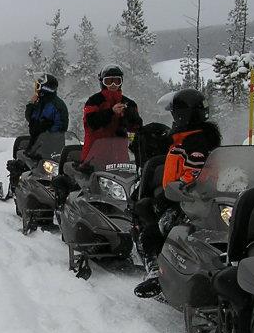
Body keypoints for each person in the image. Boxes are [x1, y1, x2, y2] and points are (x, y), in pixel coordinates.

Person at [134, 88, 222, 298]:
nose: (173, 118)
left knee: (151, 230)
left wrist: (179, 188)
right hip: (199, 197)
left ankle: (157, 271)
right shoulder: (194, 137)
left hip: (186, 200)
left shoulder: (195, 141)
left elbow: (194, 171)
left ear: (184, 114)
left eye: (175, 114)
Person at [81, 64, 141, 163]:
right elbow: (92, 123)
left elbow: (136, 128)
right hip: (94, 156)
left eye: (116, 81)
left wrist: (129, 116)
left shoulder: (129, 103)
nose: (113, 85)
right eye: (109, 81)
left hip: (119, 156)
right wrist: (111, 112)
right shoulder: (94, 101)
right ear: (103, 83)